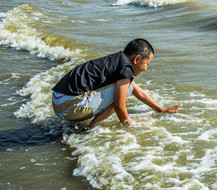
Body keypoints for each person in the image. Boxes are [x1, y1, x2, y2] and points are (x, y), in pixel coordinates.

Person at [51, 38, 181, 128]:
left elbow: (138, 91)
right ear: (137, 59)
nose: (146, 68)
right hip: (69, 107)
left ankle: (90, 125)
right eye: (147, 64)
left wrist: (161, 109)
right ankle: (93, 127)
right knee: (127, 89)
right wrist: (129, 125)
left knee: (129, 87)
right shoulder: (125, 68)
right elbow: (120, 105)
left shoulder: (117, 61)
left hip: (59, 102)